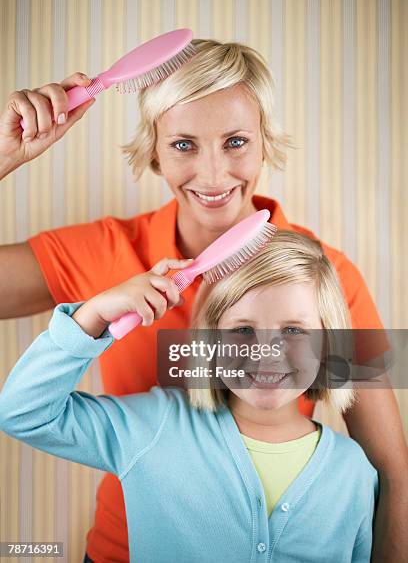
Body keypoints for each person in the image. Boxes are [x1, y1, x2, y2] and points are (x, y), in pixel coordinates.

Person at [0, 38, 406, 562]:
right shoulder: (103, 253)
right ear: (153, 149)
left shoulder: (326, 277)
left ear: (265, 143)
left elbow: (391, 475)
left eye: (235, 141)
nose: (213, 176)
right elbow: (26, 412)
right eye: (184, 145)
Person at [0, 232, 379, 562]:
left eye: (294, 330)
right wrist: (94, 315)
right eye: (243, 330)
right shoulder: (154, 427)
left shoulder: (355, 473)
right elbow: (24, 412)